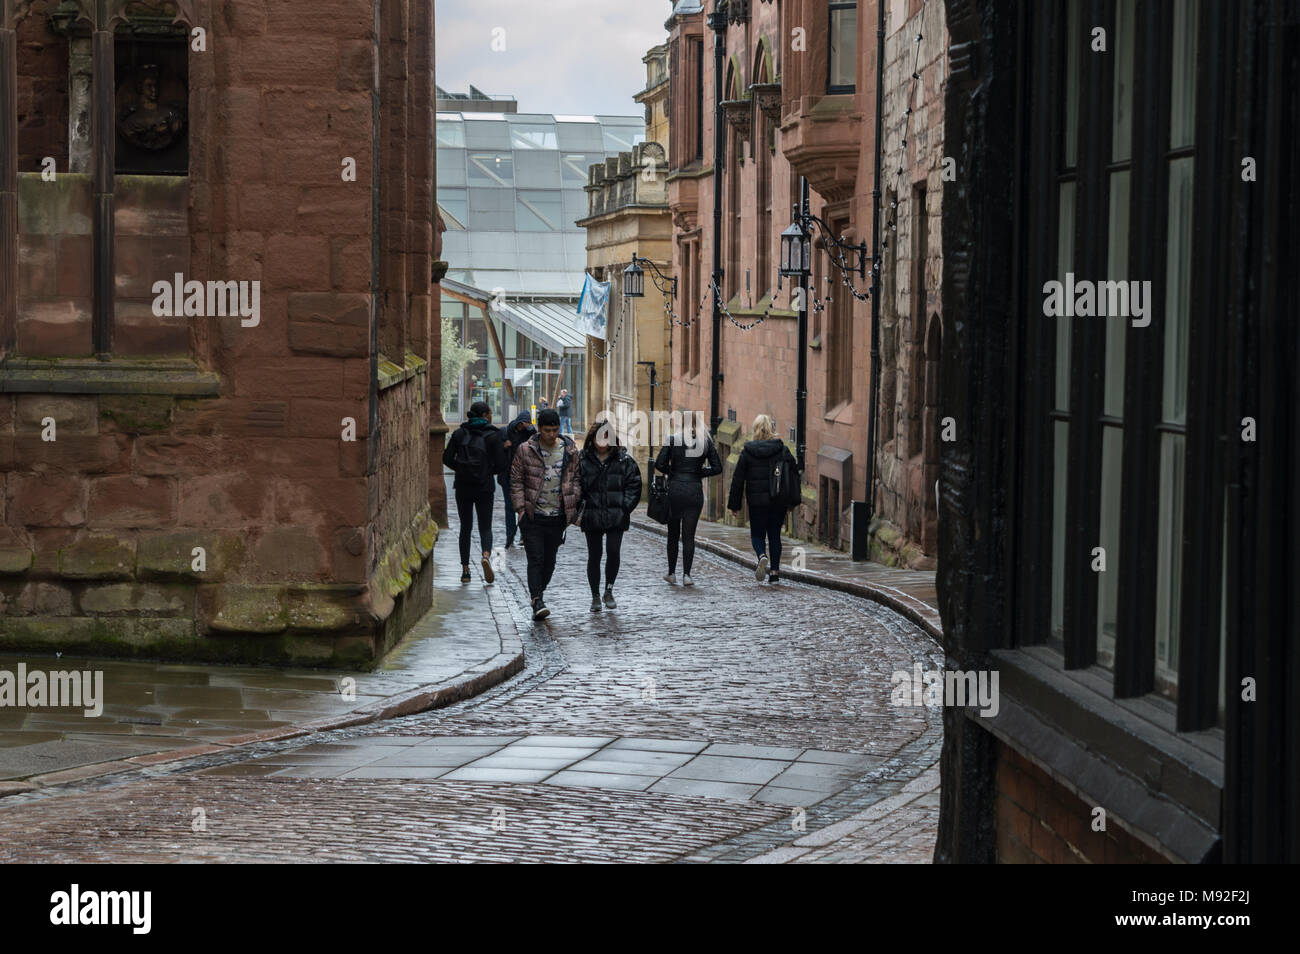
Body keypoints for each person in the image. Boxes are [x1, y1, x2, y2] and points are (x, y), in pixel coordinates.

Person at [510, 408, 581, 620]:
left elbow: (576, 478)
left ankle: (539, 593)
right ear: (539, 429)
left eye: (555, 430)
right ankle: (536, 599)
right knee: (535, 558)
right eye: (547, 430)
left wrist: (573, 498)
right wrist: (521, 508)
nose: (551, 434)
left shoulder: (569, 450)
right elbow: (515, 480)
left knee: (550, 561)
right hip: (533, 515)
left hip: (557, 516)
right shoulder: (526, 450)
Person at [578, 418, 642, 612]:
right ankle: (595, 595)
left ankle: (609, 590)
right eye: (598, 438)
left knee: (613, 552)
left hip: (616, 515)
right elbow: (574, 484)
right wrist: (580, 506)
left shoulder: (624, 460)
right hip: (592, 514)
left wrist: (624, 506)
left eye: (606, 438)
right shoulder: (582, 459)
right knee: (594, 555)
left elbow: (635, 484)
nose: (602, 443)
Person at [728, 414, 799, 583]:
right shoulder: (782, 449)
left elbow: (738, 480)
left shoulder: (748, 452)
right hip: (777, 501)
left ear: (755, 429)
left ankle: (761, 556)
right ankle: (774, 573)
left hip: (756, 502)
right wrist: (792, 501)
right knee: (775, 536)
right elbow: (793, 475)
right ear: (771, 429)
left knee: (757, 535)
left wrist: (734, 505)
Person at [653, 413, 722, 586]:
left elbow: (659, 464)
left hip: (675, 490)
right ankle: (687, 575)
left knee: (673, 535)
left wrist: (673, 471)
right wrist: (699, 472)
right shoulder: (705, 442)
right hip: (694, 491)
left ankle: (671, 573)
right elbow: (717, 467)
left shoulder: (672, 440)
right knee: (689, 536)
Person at [442, 401, 504, 585]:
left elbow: (446, 458)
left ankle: (465, 571)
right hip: (485, 487)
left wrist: (460, 469)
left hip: (463, 486)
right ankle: (486, 555)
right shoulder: (493, 435)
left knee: (465, 528)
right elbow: (501, 465)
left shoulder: (460, 433)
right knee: (485, 527)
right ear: (485, 415)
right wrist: (487, 471)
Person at [498, 409, 537, 549]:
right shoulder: (505, 432)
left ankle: (524, 536)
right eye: (524, 423)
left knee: (525, 507)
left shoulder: (529, 434)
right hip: (507, 476)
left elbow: (537, 442)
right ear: (520, 422)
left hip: (524, 476)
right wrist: (503, 446)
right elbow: (496, 451)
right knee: (509, 507)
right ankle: (510, 536)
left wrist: (531, 429)